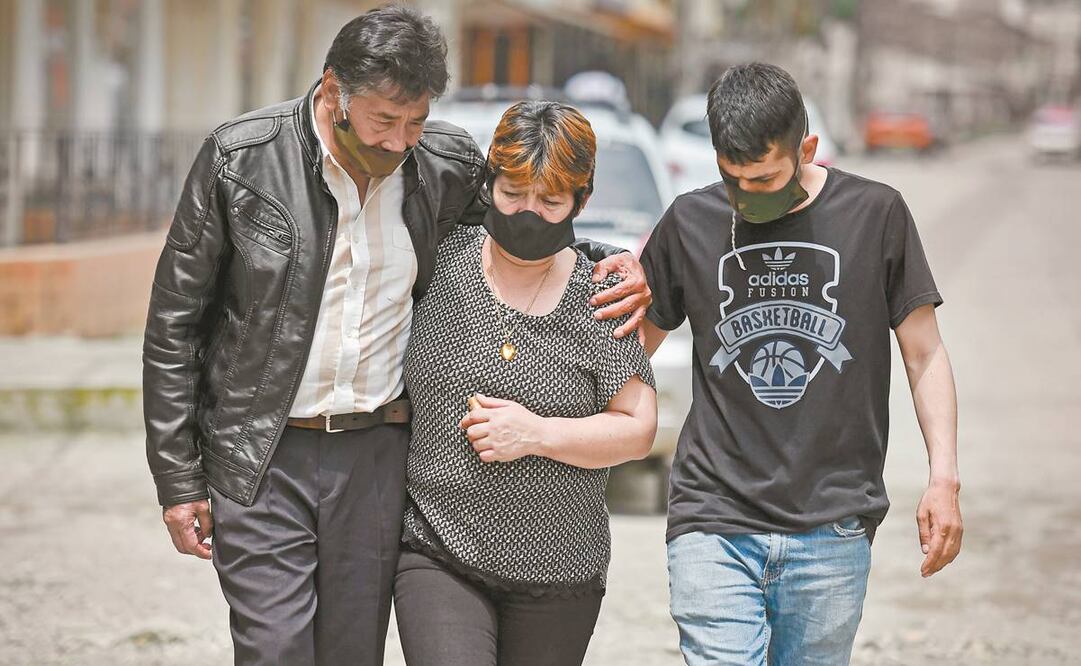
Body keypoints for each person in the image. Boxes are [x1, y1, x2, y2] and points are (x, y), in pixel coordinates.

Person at [141, 7, 651, 665]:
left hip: (375, 455)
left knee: (350, 652)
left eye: (414, 122)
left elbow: (520, 233)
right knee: (275, 649)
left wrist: (609, 260)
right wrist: (177, 478)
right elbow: (173, 325)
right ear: (333, 93)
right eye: (383, 121)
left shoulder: (437, 164)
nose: (397, 141)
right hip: (262, 450)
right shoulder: (242, 159)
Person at [639, 62, 963, 665]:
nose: (748, 197)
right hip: (714, 512)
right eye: (733, 180)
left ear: (806, 148)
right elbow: (631, 353)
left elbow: (925, 355)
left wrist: (942, 479)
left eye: (765, 179)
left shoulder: (876, 214)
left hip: (832, 521)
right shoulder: (690, 221)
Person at [391, 100, 658, 666]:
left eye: (551, 200)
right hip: (438, 548)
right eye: (514, 192)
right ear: (490, 182)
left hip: (560, 570)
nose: (529, 212)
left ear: (581, 201)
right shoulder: (440, 260)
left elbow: (638, 429)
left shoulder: (600, 294)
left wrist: (536, 434)